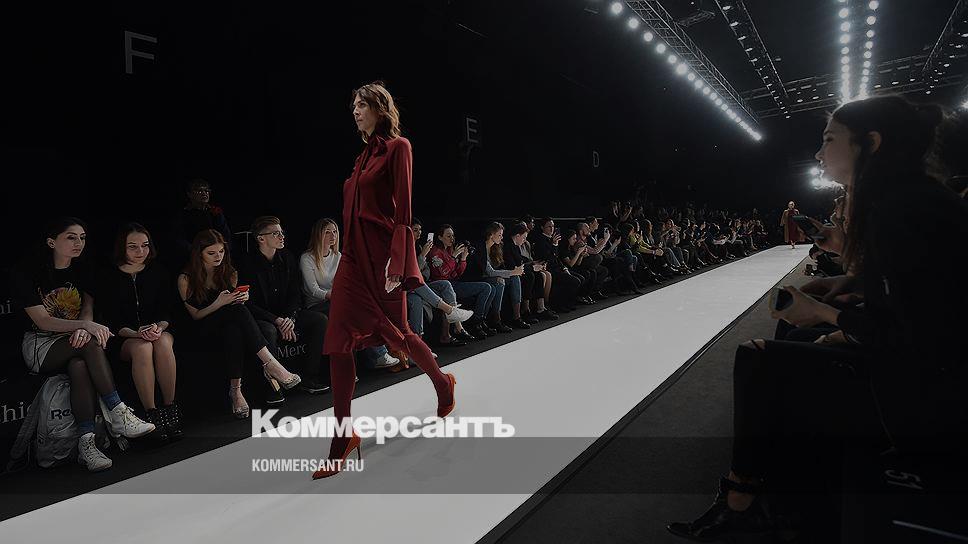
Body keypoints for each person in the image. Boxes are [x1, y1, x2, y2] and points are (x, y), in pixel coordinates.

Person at [668, 96, 968, 542]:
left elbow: (920, 336)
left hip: (925, 397)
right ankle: (786, 497)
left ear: (871, 143)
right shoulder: (911, 201)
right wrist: (853, 283)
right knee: (786, 346)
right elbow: (918, 295)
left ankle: (743, 500)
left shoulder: (903, 210)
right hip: (926, 378)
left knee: (758, 359)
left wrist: (830, 316)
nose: (818, 153)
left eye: (829, 140)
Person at [315, 82, 456, 479]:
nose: (355, 111)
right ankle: (343, 434)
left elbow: (404, 211)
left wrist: (399, 260)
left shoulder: (398, 148)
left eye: (362, 104)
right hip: (352, 261)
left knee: (401, 335)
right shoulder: (360, 159)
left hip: (382, 259)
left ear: (380, 108)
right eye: (353, 105)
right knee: (338, 342)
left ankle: (442, 383)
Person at [10, 218, 155, 472]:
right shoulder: (28, 273)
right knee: (91, 344)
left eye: (83, 238)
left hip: (75, 340)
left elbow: (86, 309)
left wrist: (83, 326)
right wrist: (85, 327)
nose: (79, 243)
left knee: (79, 365)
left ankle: (87, 445)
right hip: (41, 344)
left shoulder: (84, 270)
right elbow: (43, 321)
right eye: (71, 237)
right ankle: (118, 411)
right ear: (51, 242)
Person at [177, 229, 300, 418]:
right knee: (237, 314)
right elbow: (196, 315)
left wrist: (241, 297)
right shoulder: (186, 278)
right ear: (199, 254)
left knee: (234, 327)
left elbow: (233, 306)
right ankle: (271, 364)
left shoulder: (229, 272)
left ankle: (236, 391)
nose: (218, 257)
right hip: (203, 327)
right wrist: (219, 302)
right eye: (211, 253)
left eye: (221, 251)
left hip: (228, 323)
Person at [97, 223, 182, 441]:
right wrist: (137, 333)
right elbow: (111, 320)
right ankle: (151, 414)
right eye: (133, 247)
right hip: (125, 336)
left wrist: (158, 327)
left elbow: (168, 310)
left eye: (145, 245)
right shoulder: (108, 276)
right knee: (143, 348)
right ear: (122, 248)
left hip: (158, 330)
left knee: (163, 343)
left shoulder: (159, 271)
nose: (140, 251)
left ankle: (170, 408)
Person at [239, 216, 330, 397]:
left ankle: (309, 378)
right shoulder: (247, 264)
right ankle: (272, 388)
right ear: (261, 238)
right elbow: (248, 304)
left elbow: (295, 294)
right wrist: (276, 320)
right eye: (275, 233)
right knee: (269, 331)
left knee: (319, 320)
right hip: (263, 318)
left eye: (281, 232)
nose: (282, 236)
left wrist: (290, 318)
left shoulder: (287, 257)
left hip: (287, 315)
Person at [300, 218, 402, 370]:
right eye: (327, 232)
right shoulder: (307, 258)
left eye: (335, 231)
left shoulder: (338, 256)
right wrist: (336, 296)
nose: (333, 236)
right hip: (317, 305)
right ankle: (375, 356)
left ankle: (381, 353)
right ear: (318, 234)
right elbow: (312, 290)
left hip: (337, 301)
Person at [428, 224, 495, 338]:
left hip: (454, 283)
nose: (452, 239)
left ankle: (480, 320)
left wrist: (463, 258)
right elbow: (442, 273)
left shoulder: (449, 249)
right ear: (440, 237)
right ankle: (475, 324)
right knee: (486, 287)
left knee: (491, 288)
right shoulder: (435, 251)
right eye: (448, 236)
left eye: (452, 236)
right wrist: (453, 257)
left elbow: (457, 273)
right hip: (442, 285)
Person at [170, 178, 234, 265]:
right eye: (200, 191)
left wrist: (222, 250)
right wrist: (196, 252)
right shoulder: (183, 214)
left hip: (216, 254)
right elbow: (179, 238)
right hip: (192, 256)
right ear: (189, 194)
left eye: (207, 191)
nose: (204, 193)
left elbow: (225, 234)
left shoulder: (215, 212)